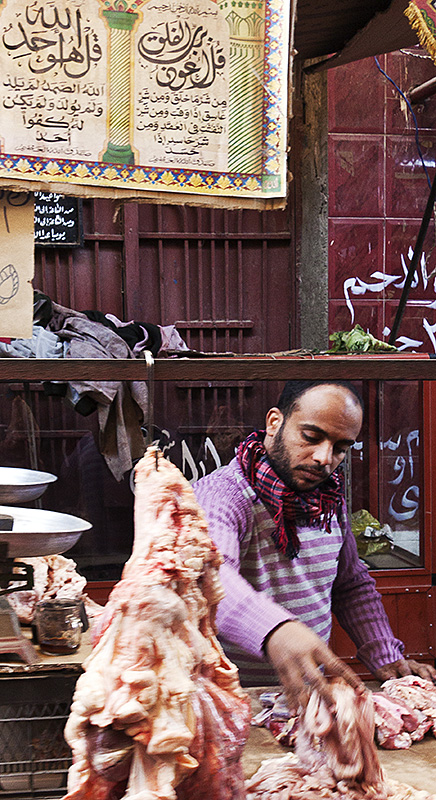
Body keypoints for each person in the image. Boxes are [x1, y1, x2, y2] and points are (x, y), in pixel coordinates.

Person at [193, 379, 436, 709]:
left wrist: (384, 655)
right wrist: (275, 630)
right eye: (311, 437)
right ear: (274, 422)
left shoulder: (327, 498)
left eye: (340, 448)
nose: (324, 458)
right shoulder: (223, 495)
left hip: (308, 702)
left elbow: (349, 585)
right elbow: (212, 576)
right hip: (227, 702)